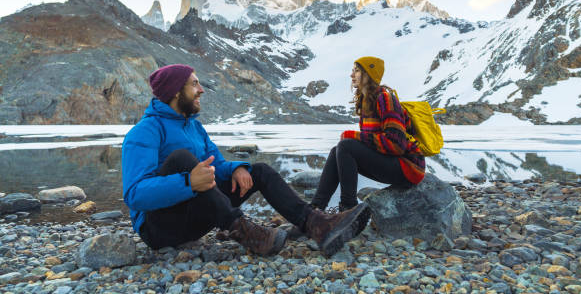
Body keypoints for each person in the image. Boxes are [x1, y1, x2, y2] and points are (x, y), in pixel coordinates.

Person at [122, 64, 371, 257]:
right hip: (159, 230)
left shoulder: (194, 128)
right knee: (181, 159)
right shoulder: (145, 131)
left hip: (193, 214)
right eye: (194, 84)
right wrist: (187, 182)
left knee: (258, 170)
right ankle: (249, 234)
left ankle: (317, 224)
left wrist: (238, 167)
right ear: (176, 91)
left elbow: (217, 165)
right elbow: (134, 195)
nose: (201, 90)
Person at [310, 56, 426, 212]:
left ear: (369, 74)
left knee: (346, 146)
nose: (352, 75)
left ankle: (348, 209)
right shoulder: (366, 101)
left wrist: (355, 136)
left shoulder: (385, 98)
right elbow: (371, 144)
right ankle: (315, 209)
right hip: (393, 162)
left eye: (357, 71)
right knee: (337, 150)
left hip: (408, 168)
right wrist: (355, 139)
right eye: (353, 71)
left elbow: (396, 145)